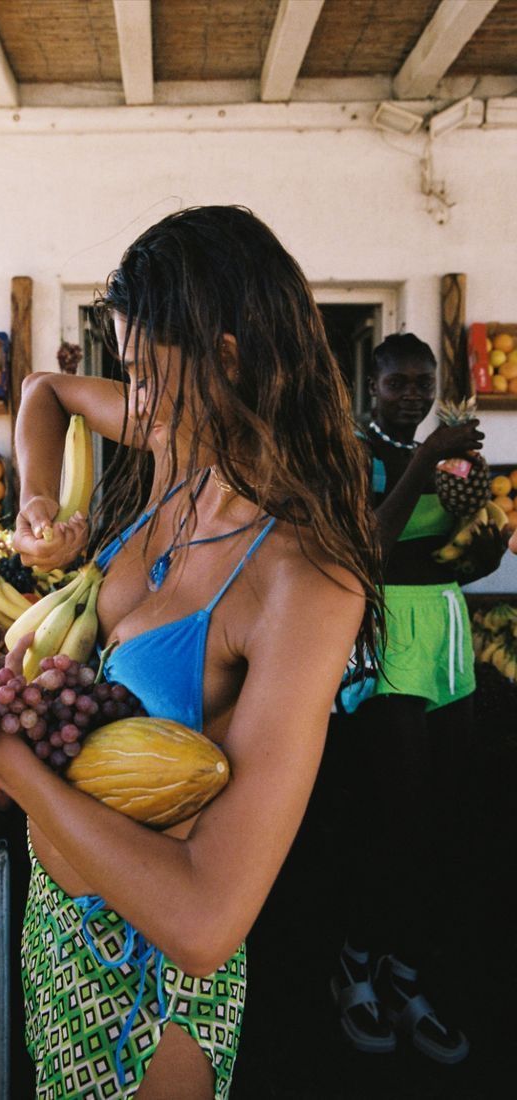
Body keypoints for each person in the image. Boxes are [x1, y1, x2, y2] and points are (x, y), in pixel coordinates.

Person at [0, 205, 382, 1100]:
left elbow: (206, 917)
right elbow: (43, 392)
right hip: (60, 937)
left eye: (143, 370)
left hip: (150, 1002)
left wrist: (16, 768)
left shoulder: (303, 582)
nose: (135, 399)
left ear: (229, 359)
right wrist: (37, 502)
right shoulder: (175, 446)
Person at [332, 332, 505, 1066]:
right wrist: (427, 461)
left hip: (444, 634)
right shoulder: (351, 454)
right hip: (384, 641)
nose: (411, 394)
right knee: (390, 818)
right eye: (397, 383)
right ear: (371, 388)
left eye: (422, 382)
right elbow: (367, 548)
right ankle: (354, 965)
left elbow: (445, 551)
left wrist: (481, 551)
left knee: (441, 815)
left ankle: (405, 975)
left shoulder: (449, 455)